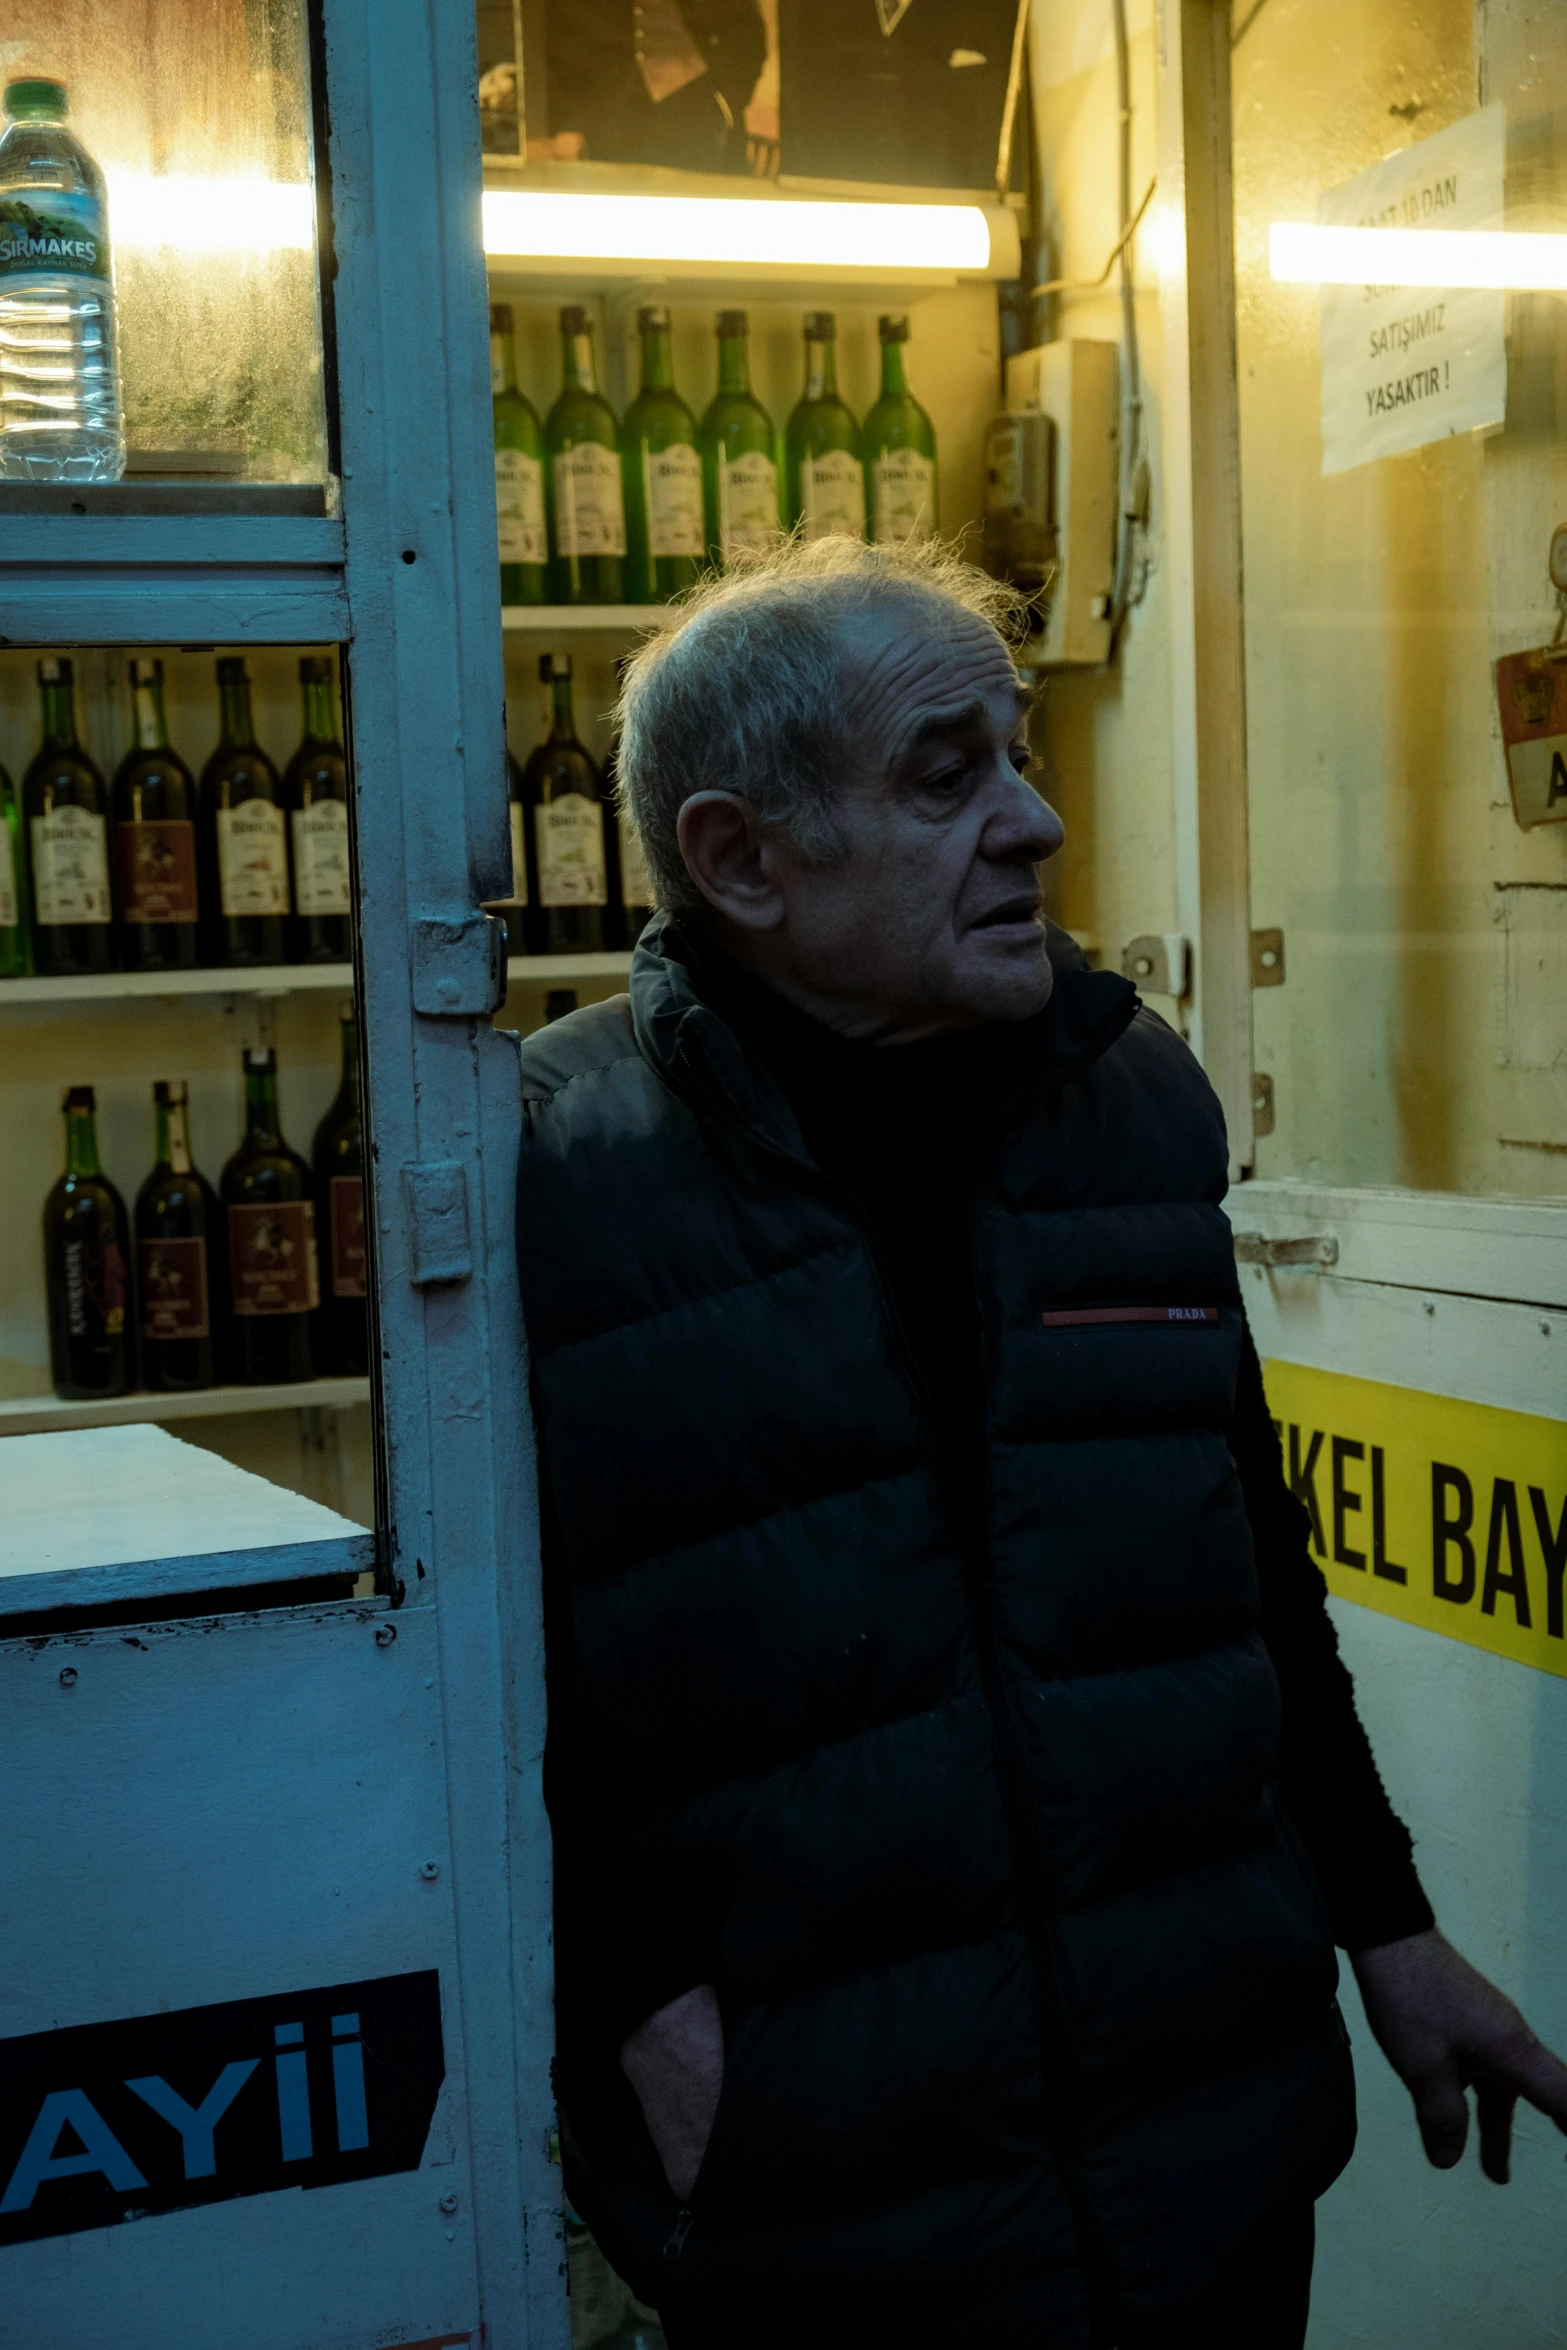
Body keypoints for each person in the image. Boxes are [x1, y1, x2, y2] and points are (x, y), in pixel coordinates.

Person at [517, 538, 1567, 2348]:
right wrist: (628, 2006)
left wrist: (1387, 1930)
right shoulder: (557, 1173)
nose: (1034, 823)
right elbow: (509, 1671)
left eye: (1017, 755)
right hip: (830, 2182)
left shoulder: (1128, 1098)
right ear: (739, 858)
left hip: (1203, 2144)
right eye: (948, 776)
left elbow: (1243, 1570)